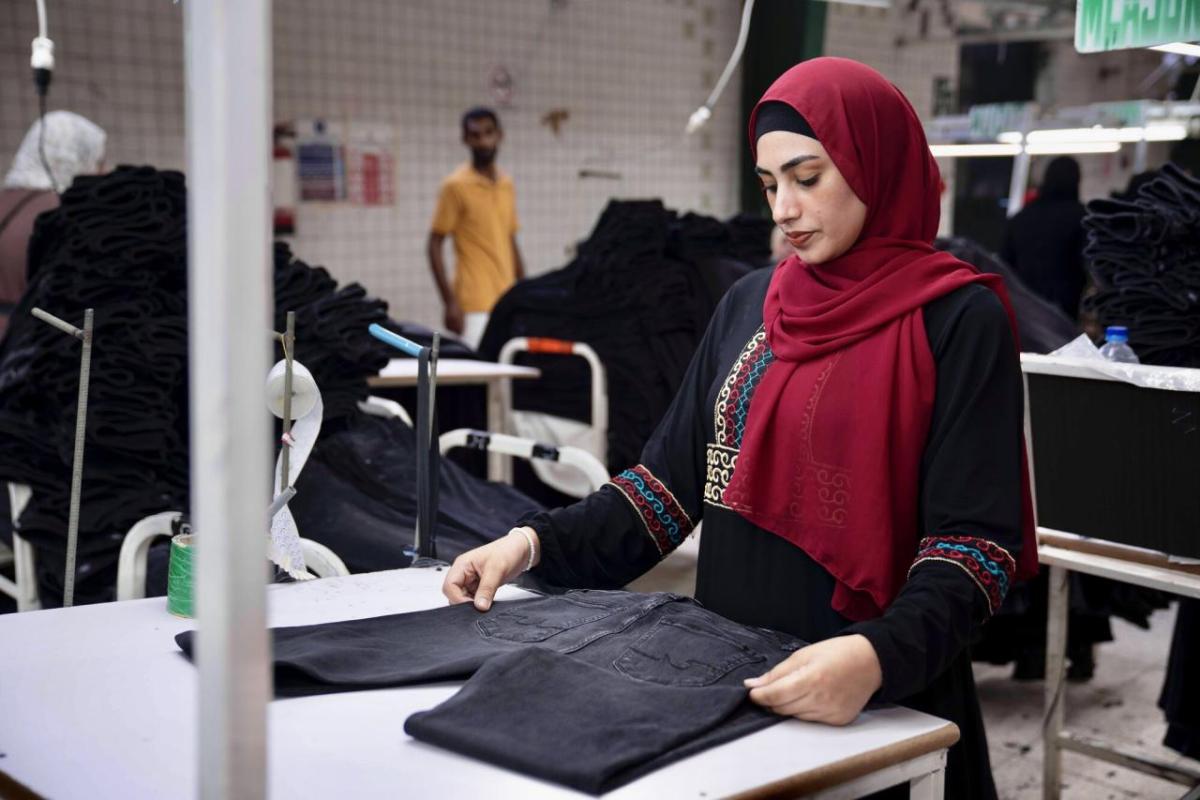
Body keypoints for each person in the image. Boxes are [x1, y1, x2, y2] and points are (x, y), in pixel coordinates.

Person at [443, 58, 1036, 799]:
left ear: (873, 163)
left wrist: (877, 657)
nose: (783, 208)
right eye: (769, 185)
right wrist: (529, 544)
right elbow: (661, 492)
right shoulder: (752, 304)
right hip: (729, 688)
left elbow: (974, 548)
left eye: (807, 176)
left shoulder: (957, 320)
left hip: (878, 701)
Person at [0, 111, 106, 339]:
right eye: (98, 161)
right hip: (26, 349)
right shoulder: (63, 215)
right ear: (76, 157)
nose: (102, 172)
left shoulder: (6, 201)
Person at [427, 107, 525, 349]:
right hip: (473, 306)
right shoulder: (455, 185)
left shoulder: (506, 184)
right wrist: (449, 302)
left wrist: (524, 290)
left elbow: (510, 239)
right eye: (475, 135)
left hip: (508, 299)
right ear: (465, 139)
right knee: (479, 379)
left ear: (499, 135)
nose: (483, 141)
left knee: (507, 377)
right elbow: (434, 244)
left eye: (488, 133)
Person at [1001, 156, 1087, 319]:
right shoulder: (1081, 217)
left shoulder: (1021, 217)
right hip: (1064, 309)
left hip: (1023, 307)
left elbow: (1005, 264)